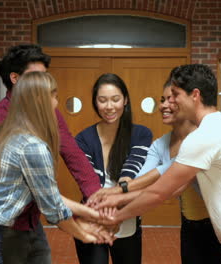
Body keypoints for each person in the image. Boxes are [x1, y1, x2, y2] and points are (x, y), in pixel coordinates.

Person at [99, 64, 221, 264]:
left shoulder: (204, 136)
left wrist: (117, 216)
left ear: (195, 95)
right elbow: (174, 189)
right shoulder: (220, 124)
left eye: (175, 94)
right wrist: (119, 199)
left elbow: (159, 193)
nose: (170, 102)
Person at [0, 72, 113, 264]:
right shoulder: (32, 147)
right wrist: (85, 235)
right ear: (41, 101)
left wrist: (91, 214)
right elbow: (53, 210)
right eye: (54, 97)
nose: (57, 104)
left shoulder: (5, 133)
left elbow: (49, 194)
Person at [0, 44, 101, 263]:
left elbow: (73, 154)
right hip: (3, 226)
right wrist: (84, 226)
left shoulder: (49, 112)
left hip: (33, 221)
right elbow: (42, 195)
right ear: (16, 78)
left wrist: (96, 196)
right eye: (37, 77)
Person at [90, 80, 221, 263]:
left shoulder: (202, 138)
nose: (163, 105)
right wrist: (116, 199)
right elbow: (142, 180)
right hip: (190, 224)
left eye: (171, 99)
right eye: (162, 100)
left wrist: (116, 200)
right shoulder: (160, 144)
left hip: (219, 225)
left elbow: (168, 186)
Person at [75, 73, 152, 264]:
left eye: (115, 99)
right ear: (95, 102)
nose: (109, 106)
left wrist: (117, 215)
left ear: (125, 100)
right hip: (92, 217)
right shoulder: (83, 138)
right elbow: (89, 183)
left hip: (127, 216)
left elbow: (130, 176)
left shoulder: (141, 134)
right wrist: (105, 217)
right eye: (102, 100)